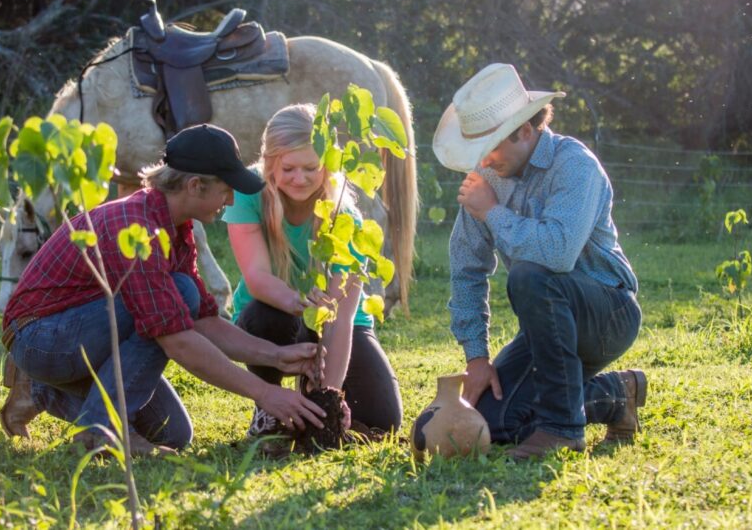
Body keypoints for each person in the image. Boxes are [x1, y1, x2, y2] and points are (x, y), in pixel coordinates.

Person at [0, 124, 329, 455]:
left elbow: (203, 320)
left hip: (79, 334)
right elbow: (178, 340)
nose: (230, 199)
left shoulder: (176, 228)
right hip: (39, 337)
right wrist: (265, 393)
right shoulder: (136, 226)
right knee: (179, 292)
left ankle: (40, 390)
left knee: (172, 434)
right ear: (195, 186)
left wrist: (277, 356)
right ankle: (99, 431)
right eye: (226, 190)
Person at [432, 63, 646, 459]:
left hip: (607, 314)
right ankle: (616, 395)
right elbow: (466, 270)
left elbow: (557, 253)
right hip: (547, 326)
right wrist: (477, 358)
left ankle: (564, 429)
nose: (483, 161)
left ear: (526, 131)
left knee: (531, 275)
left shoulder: (575, 165)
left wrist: (492, 212)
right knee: (494, 423)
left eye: (492, 147)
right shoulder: (487, 179)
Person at [223, 104, 403, 438]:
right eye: (289, 168)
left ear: (328, 166)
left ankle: (310, 394)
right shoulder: (247, 195)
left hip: (334, 321)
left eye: (311, 168)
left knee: (383, 419)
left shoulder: (344, 217)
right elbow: (258, 279)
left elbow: (342, 316)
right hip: (272, 312)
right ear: (269, 164)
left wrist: (329, 398)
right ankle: (269, 409)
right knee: (267, 317)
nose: (300, 178)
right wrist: (306, 304)